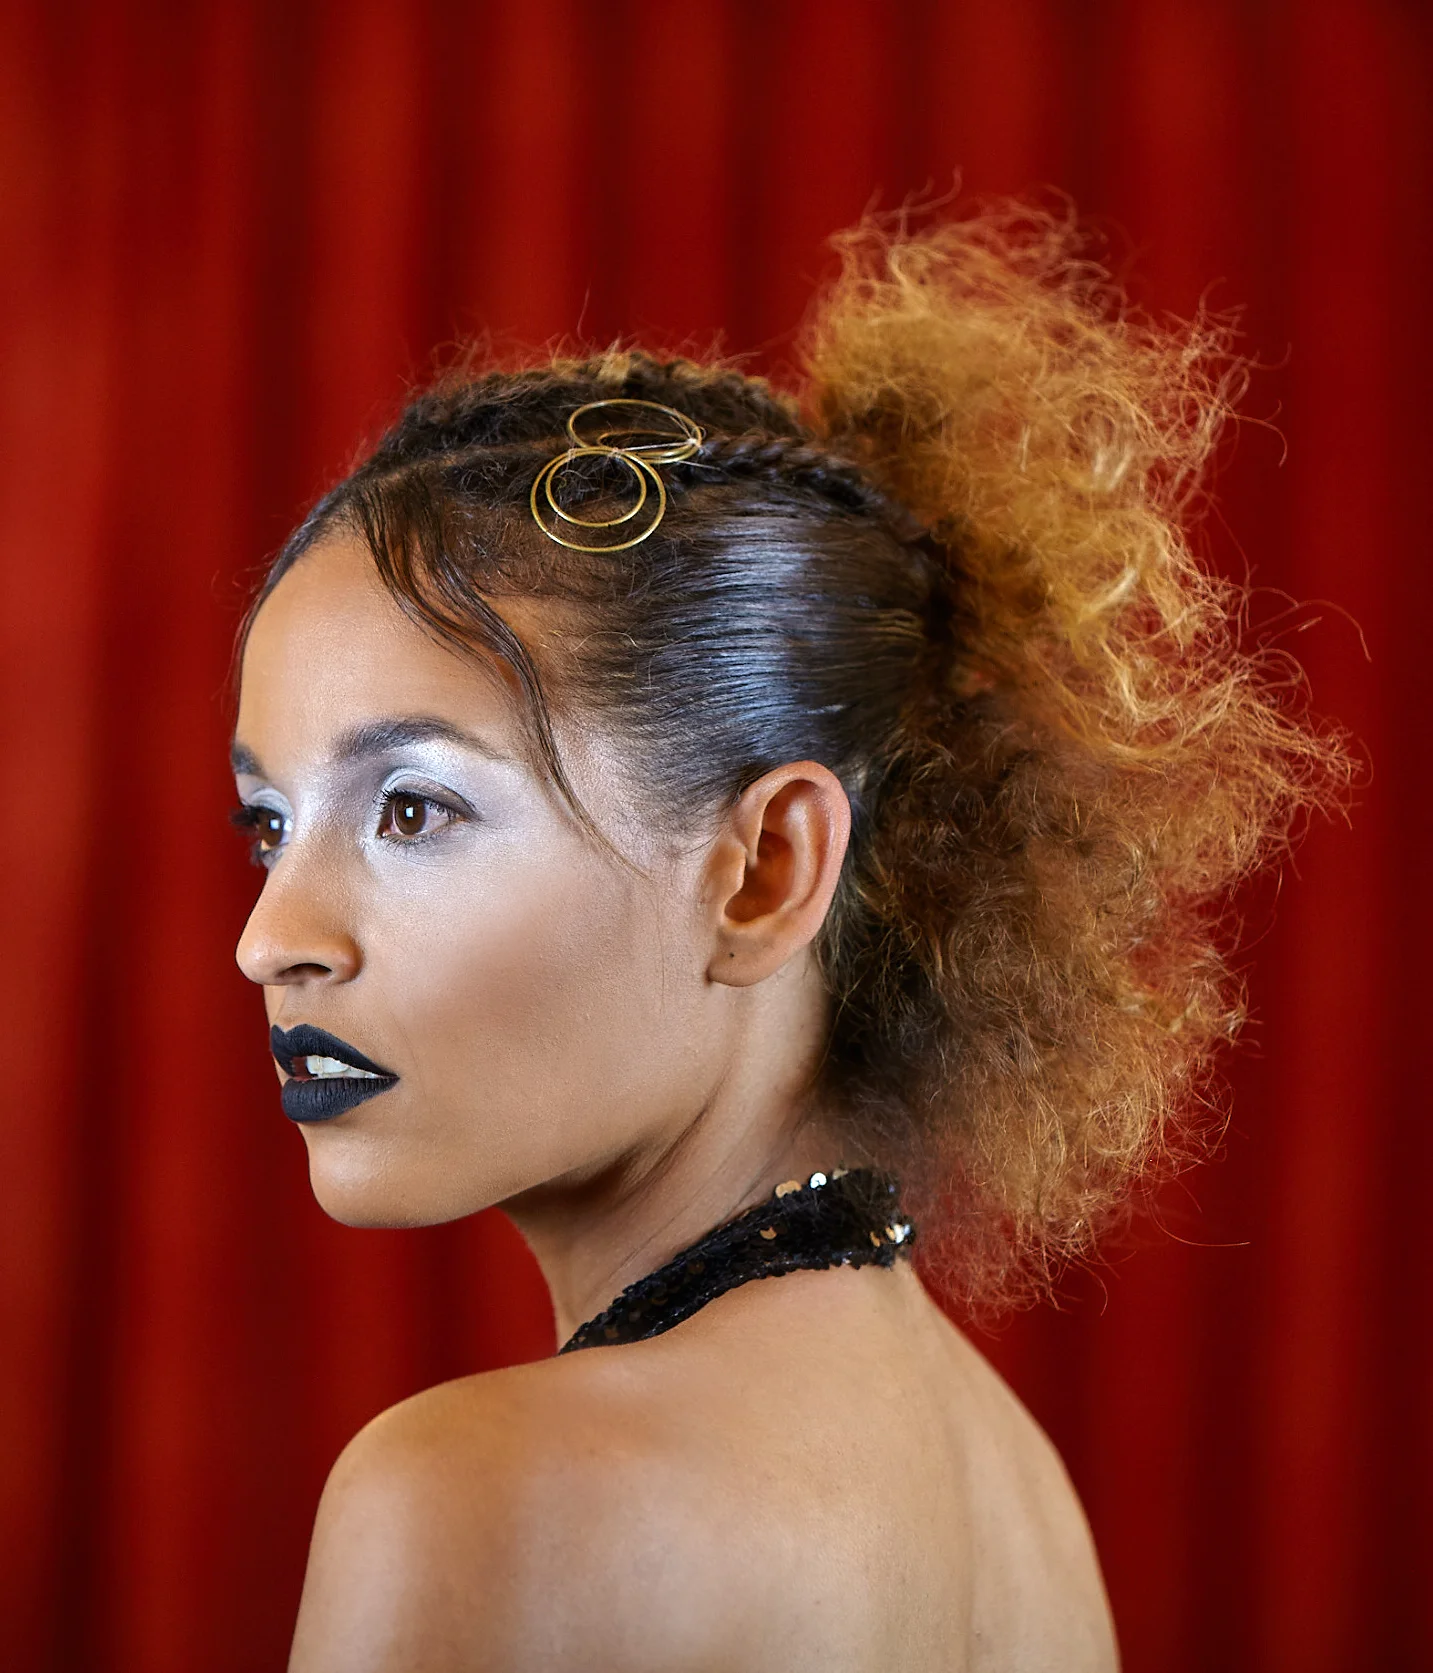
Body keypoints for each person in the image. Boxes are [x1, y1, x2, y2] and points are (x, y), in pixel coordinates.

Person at [230, 207, 1345, 1671]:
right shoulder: (1017, 1494)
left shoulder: (473, 1497)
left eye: (413, 811)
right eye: (268, 823)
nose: (271, 940)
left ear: (765, 870)